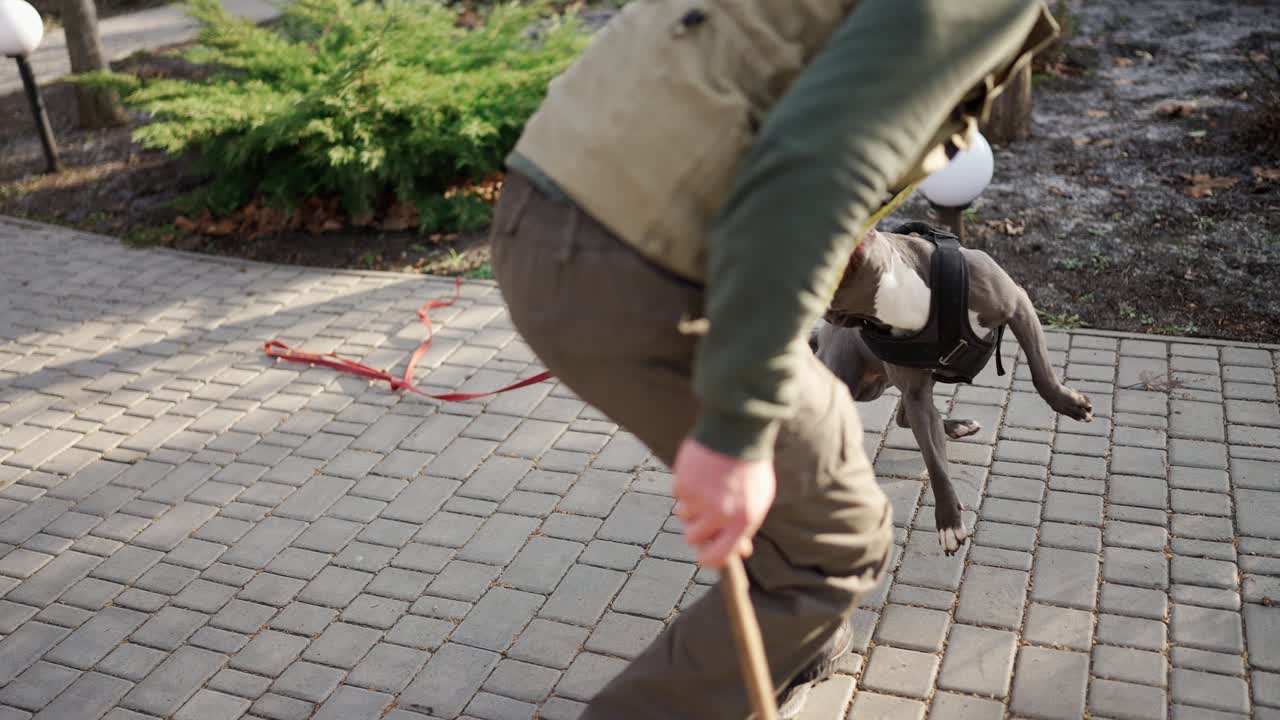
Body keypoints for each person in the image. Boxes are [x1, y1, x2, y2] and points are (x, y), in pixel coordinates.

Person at [489, 1, 1059, 717]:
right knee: (836, 536)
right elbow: (819, 164)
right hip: (639, 256)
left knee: (822, 455)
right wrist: (737, 426)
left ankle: (804, 646)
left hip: (547, 205)